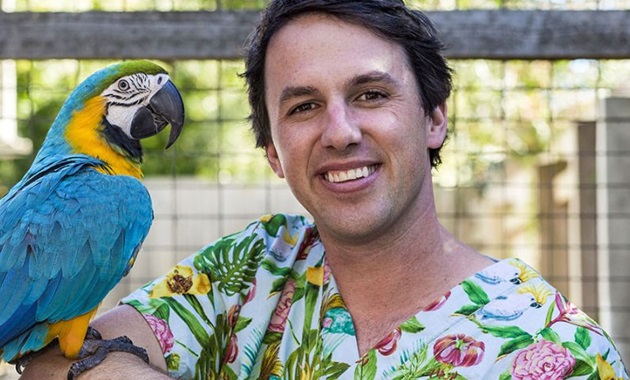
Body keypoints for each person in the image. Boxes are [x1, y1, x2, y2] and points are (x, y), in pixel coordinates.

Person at [21, 0, 628, 379]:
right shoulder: (250, 270)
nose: (340, 133)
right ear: (273, 154)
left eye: (371, 95)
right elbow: (50, 361)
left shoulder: (557, 349)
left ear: (435, 117)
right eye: (305, 106)